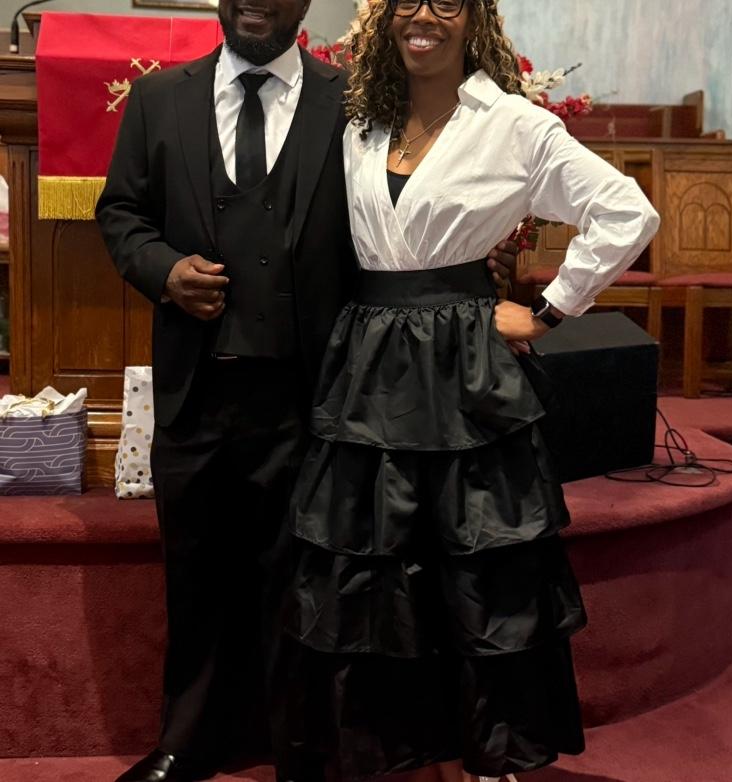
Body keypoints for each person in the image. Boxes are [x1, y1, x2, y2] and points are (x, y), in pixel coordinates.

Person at [96, 0, 518, 779]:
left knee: (308, 584)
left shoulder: (356, 103)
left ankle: (302, 748)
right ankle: (188, 740)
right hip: (196, 389)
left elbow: (407, 206)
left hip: (316, 393)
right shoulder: (158, 98)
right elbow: (121, 211)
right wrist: (163, 270)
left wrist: (474, 257)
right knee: (196, 572)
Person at [271, 1, 661, 781]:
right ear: (384, 19)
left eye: (445, 1)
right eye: (406, 1)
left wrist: (551, 309)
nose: (423, 16)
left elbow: (626, 211)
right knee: (374, 561)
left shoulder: (513, 123)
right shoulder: (359, 123)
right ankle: (390, 745)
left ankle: (489, 754)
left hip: (463, 366)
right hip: (368, 359)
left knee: (476, 561)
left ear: (473, 20)